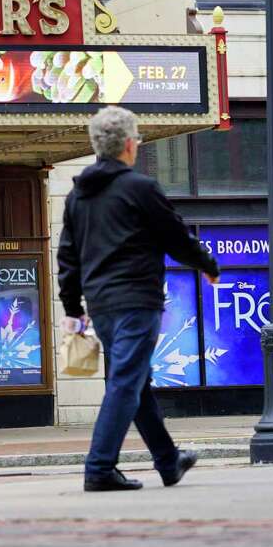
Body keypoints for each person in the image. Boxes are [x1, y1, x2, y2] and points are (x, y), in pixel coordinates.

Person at [57, 106, 220, 492]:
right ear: (130, 145)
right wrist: (207, 265)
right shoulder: (140, 188)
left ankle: (168, 461)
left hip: (102, 305)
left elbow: (69, 256)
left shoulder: (78, 196)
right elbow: (175, 237)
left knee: (134, 381)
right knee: (126, 383)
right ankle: (99, 468)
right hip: (136, 299)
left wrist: (72, 309)